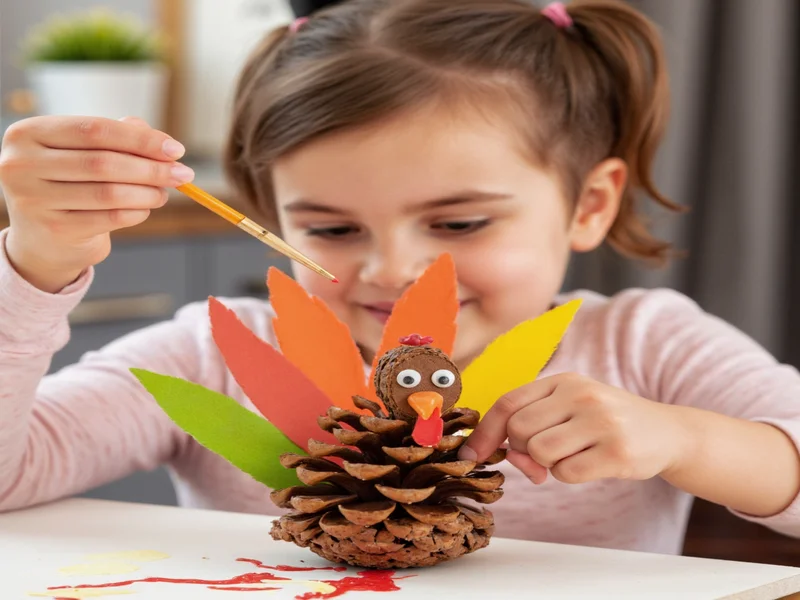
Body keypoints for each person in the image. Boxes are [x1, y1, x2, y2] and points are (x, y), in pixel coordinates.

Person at [1, 0, 799, 556]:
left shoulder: (645, 344)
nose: (392, 272)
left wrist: (688, 437)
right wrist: (37, 260)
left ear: (589, 205)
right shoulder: (216, 356)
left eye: (459, 224)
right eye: (332, 228)